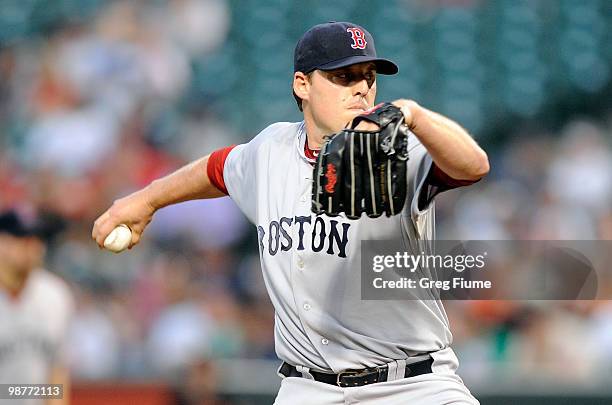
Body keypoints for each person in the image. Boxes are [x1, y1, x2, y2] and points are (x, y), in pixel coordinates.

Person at [93, 22, 489, 404]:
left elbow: (474, 166)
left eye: (369, 76)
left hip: (412, 385)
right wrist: (146, 200)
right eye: (343, 76)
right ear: (302, 84)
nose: (362, 89)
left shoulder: (394, 151)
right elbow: (216, 170)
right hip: (308, 388)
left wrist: (414, 116)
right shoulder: (271, 151)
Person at [0, 210, 73, 405]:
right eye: (23, 238)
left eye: (38, 239)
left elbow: (58, 371)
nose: (34, 247)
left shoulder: (56, 295)